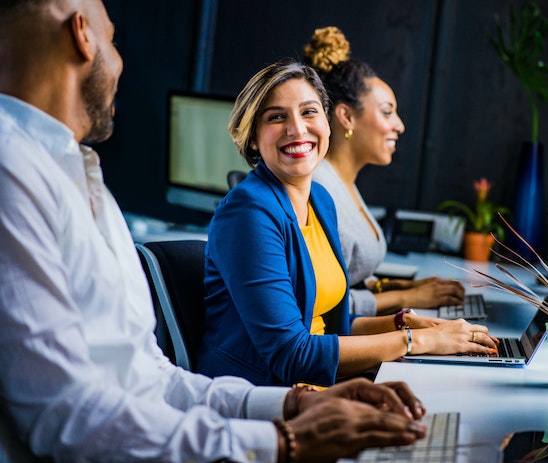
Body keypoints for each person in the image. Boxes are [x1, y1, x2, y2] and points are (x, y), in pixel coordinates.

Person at [0, 1, 429, 461]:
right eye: (113, 39)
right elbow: (66, 417)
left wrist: (298, 404)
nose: (120, 61)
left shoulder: (77, 173)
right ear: (83, 35)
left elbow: (152, 379)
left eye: (308, 112)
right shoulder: (13, 171)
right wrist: (285, 440)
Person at [197, 58, 498, 388]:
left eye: (309, 112)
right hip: (261, 396)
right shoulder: (248, 212)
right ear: (253, 138)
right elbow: (290, 355)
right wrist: (418, 342)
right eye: (277, 117)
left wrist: (409, 325)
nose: (297, 128)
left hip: (316, 386)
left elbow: (332, 327)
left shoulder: (321, 201)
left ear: (327, 123)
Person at [305, 26, 466, 317]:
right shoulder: (319, 189)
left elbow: (349, 279)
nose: (399, 125)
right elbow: (323, 306)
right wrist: (408, 297)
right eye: (387, 112)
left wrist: (400, 287)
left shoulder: (343, 183)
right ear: (346, 116)